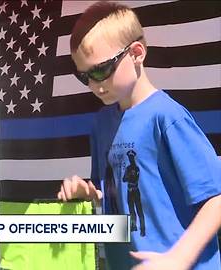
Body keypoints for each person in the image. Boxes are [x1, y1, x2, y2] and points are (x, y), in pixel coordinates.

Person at [57, 2, 221, 270]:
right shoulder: (101, 124)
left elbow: (215, 198)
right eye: (84, 76)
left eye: (101, 70)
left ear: (136, 53)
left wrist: (179, 258)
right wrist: (89, 193)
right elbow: (113, 194)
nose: (95, 85)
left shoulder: (167, 117)